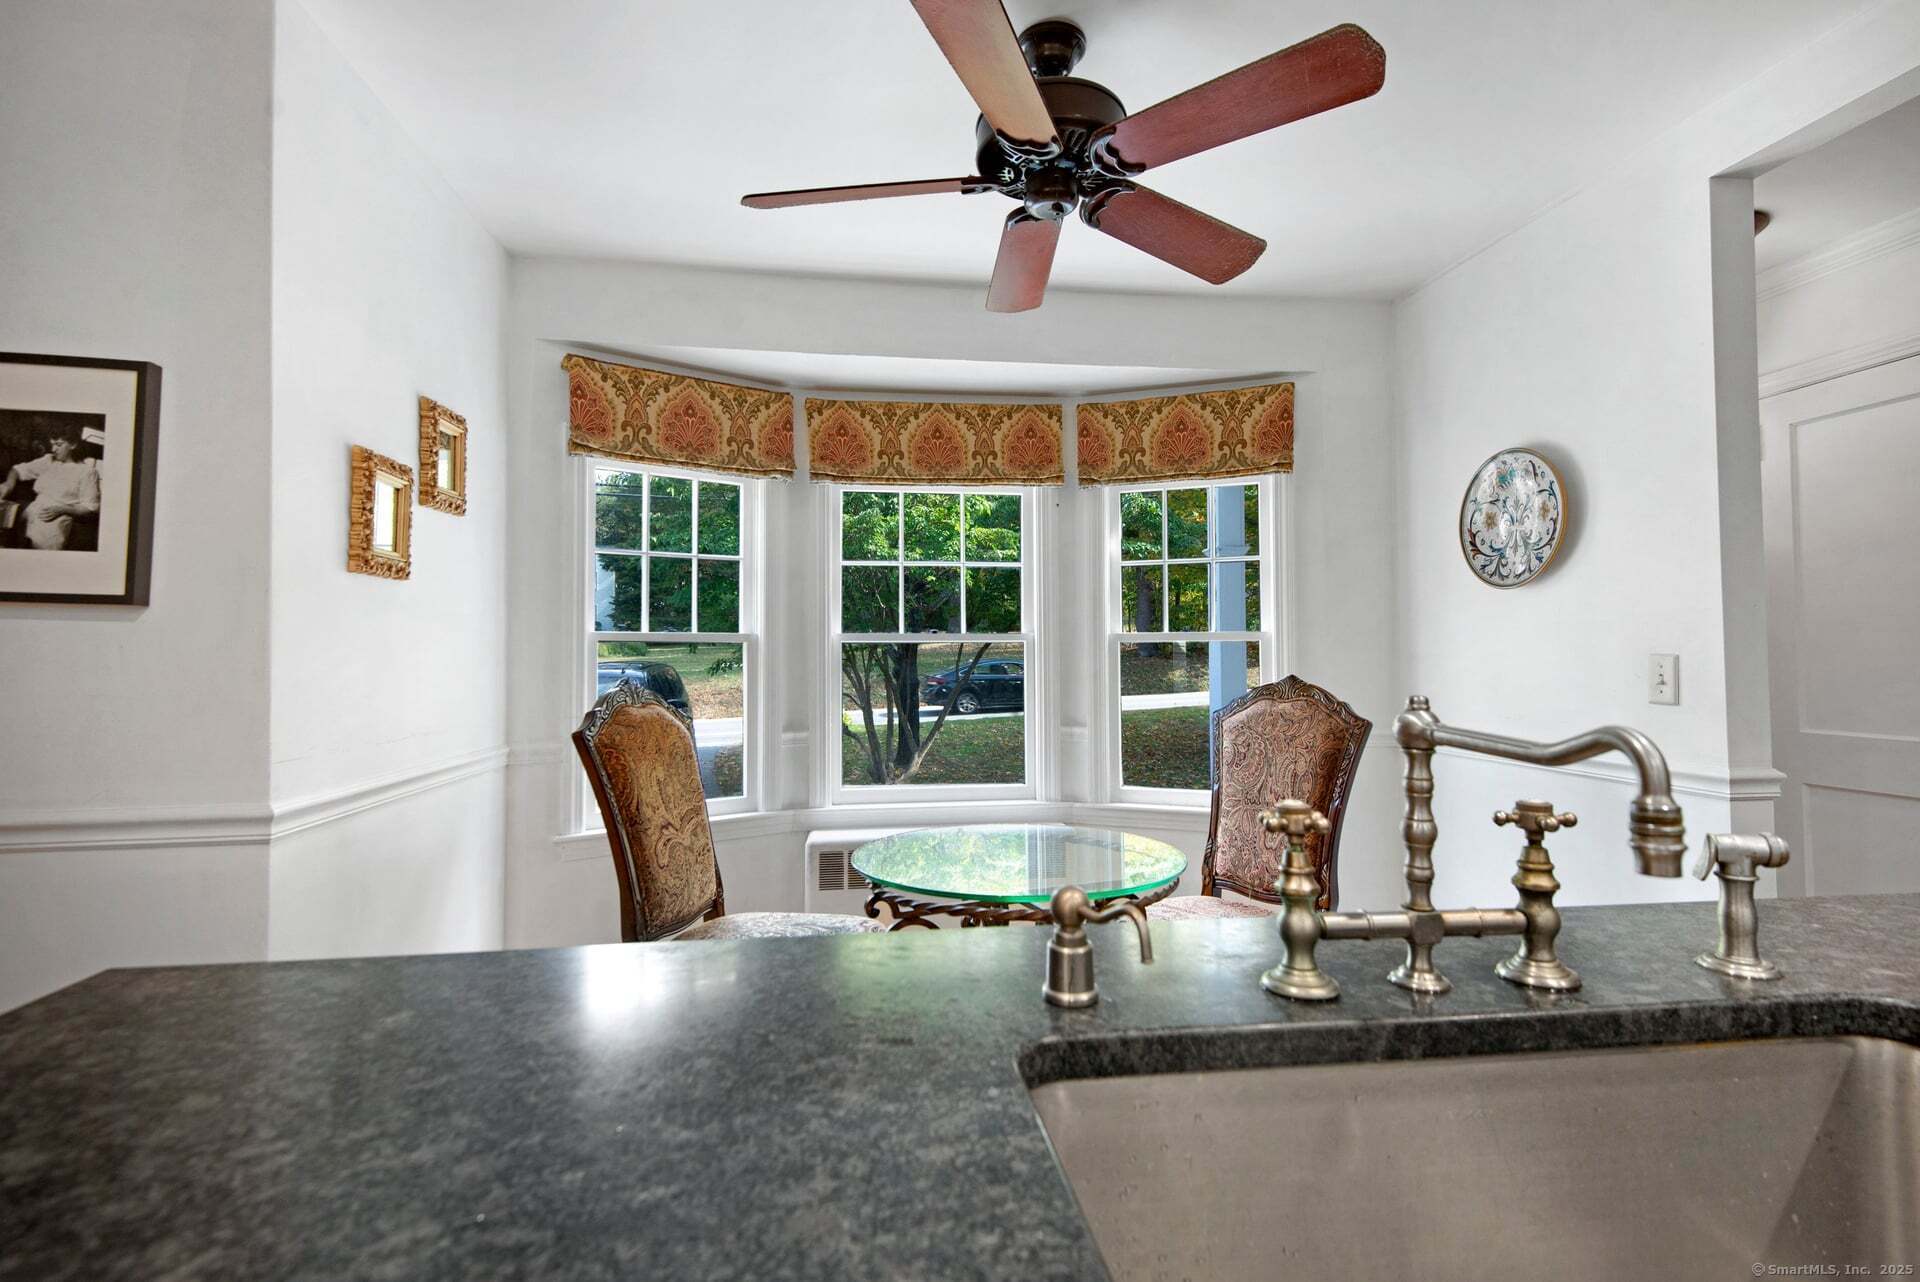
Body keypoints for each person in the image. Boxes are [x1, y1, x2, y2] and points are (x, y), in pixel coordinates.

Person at [0, 428, 101, 550]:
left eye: (58, 445)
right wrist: (8, 484)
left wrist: (62, 509)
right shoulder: (49, 460)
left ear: (73, 445)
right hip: (26, 520)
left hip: (51, 530)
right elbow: (17, 470)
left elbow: (90, 508)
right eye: (52, 444)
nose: (53, 449)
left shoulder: (87, 472)